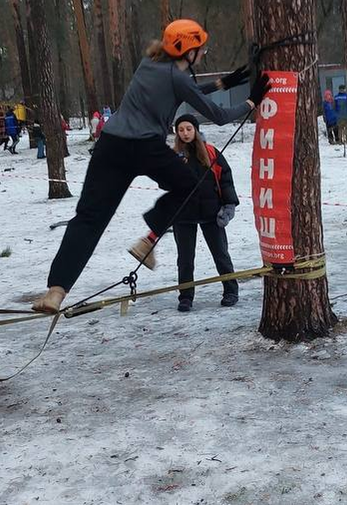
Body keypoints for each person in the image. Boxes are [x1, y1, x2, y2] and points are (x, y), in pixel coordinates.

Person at [31, 18, 269, 314]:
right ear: (188, 51)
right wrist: (251, 102)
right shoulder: (179, 79)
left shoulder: (148, 64)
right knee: (191, 186)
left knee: (89, 218)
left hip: (110, 146)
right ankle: (148, 240)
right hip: (144, 148)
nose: (202, 54)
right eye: (201, 50)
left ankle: (56, 291)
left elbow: (182, 89)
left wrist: (222, 83)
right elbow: (218, 115)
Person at [170, 114, 240, 312]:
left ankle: (230, 290)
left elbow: (225, 179)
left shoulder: (210, 152)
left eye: (189, 129)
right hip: (184, 215)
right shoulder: (174, 154)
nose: (185, 133)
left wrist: (228, 206)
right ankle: (185, 296)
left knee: (220, 254)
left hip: (211, 213)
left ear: (196, 130)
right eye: (181, 129)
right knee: (185, 259)